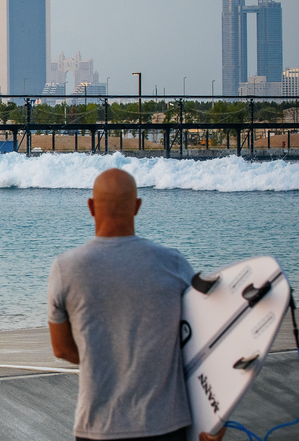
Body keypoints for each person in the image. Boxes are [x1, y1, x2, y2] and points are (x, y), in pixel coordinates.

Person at [47, 169, 225, 441]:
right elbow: (208, 339)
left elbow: (61, 349)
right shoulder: (173, 264)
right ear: (138, 206)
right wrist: (217, 417)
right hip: (166, 426)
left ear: (91, 207)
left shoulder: (66, 269)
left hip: (97, 427)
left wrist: (105, 360)